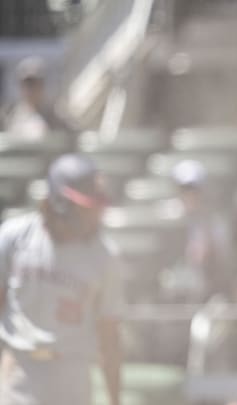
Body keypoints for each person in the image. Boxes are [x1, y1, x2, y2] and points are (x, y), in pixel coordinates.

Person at [0, 154, 123, 405]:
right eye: (84, 208)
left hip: (72, 372)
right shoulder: (14, 237)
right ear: (56, 204)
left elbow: (109, 336)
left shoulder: (104, 256)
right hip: (20, 367)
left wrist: (114, 399)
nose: (93, 216)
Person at [159, 159, 235, 303]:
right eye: (184, 189)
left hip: (206, 293)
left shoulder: (214, 223)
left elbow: (222, 261)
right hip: (173, 293)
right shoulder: (166, 220)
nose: (190, 195)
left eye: (194, 189)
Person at [0, 56, 78, 141]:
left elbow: (73, 138)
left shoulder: (56, 115)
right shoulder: (10, 115)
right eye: (27, 84)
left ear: (42, 85)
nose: (30, 89)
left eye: (34, 83)